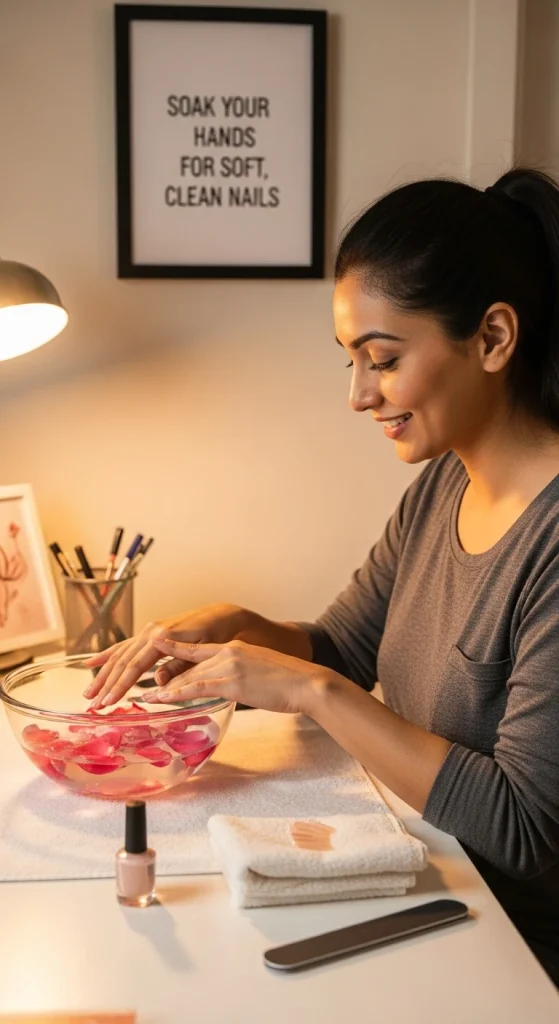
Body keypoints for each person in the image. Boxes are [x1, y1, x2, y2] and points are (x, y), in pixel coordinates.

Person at [85, 168, 559, 986]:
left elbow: (521, 828)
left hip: (507, 953)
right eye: (349, 360)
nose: (357, 395)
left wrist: (307, 691)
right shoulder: (443, 484)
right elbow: (342, 645)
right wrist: (240, 627)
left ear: (491, 339)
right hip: (427, 891)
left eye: (380, 359)